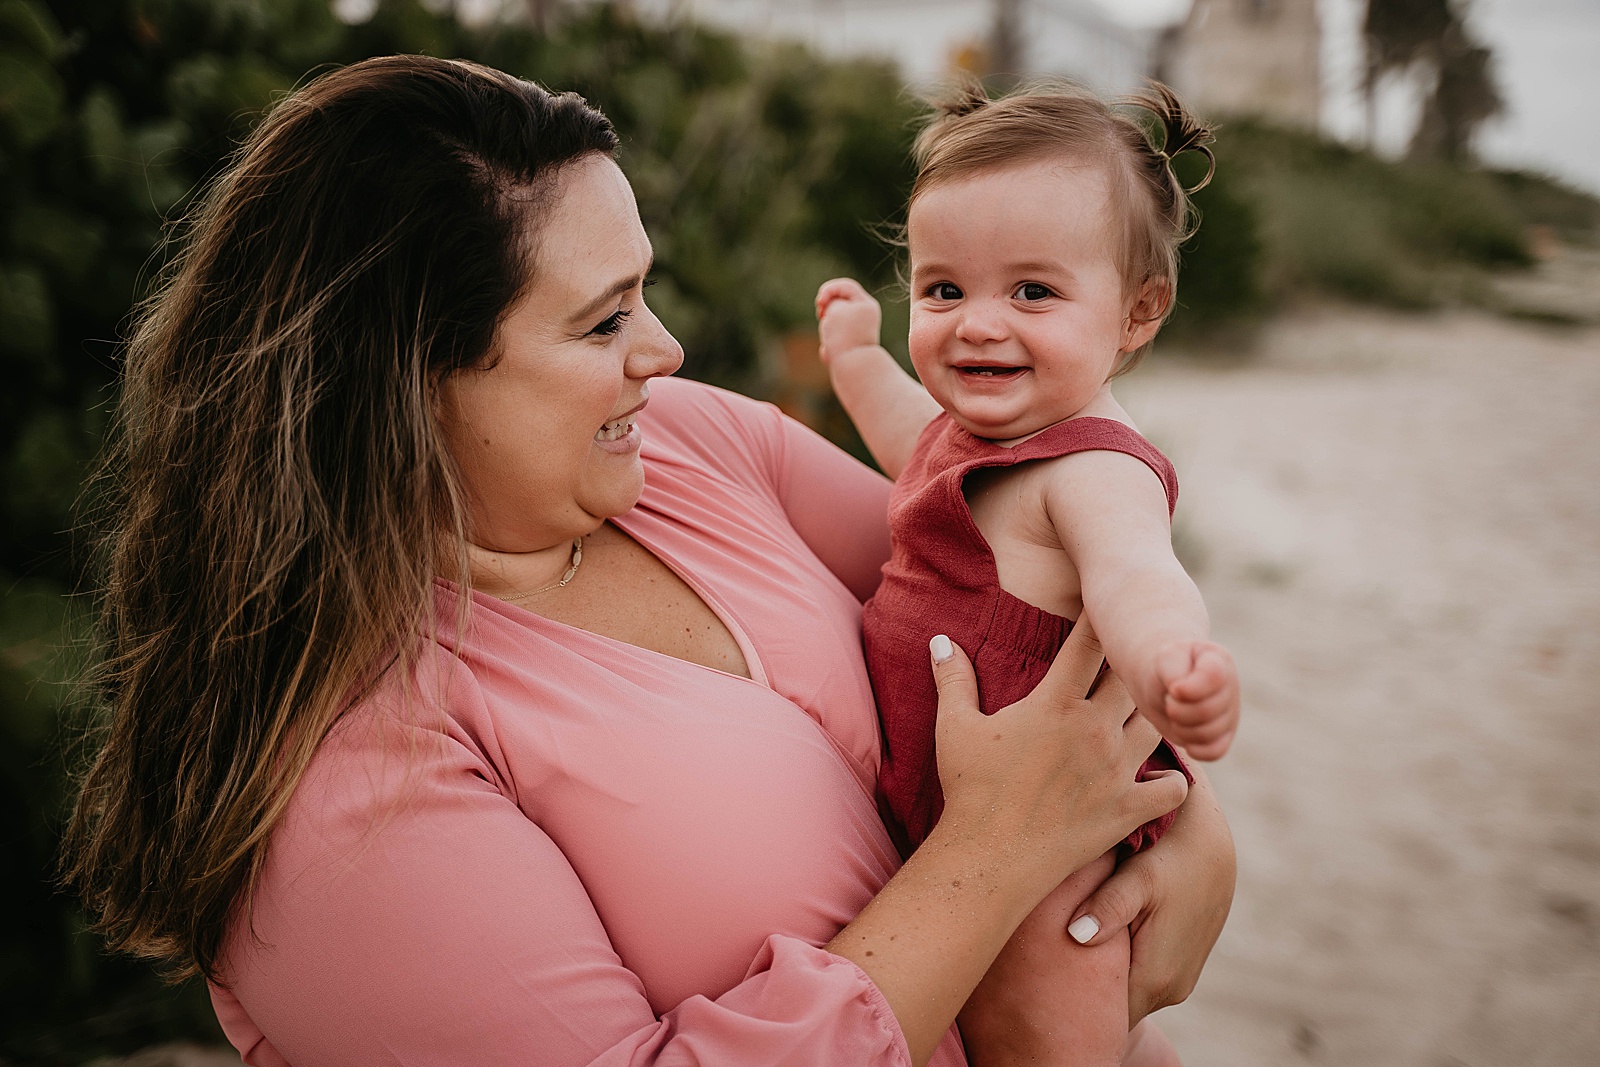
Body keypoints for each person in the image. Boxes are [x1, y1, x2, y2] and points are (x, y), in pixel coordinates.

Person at [64, 57, 1234, 1066]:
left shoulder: (684, 443)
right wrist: (997, 851)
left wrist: (1187, 829)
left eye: (646, 294)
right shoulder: (341, 789)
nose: (664, 350)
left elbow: (1017, 605)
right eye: (602, 320)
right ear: (404, 379)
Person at [814, 82, 1242, 1065]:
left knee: (1048, 1039)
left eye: (1032, 292)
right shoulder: (971, 432)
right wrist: (854, 362)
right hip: (960, 821)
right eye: (942, 290)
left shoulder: (1092, 466)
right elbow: (903, 443)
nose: (976, 324)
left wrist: (1172, 658)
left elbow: (1137, 573)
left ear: (1136, 313)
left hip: (1051, 854)